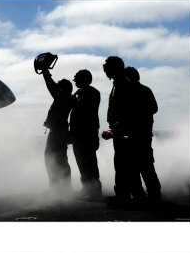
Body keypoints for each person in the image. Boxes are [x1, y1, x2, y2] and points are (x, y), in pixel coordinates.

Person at [102, 57, 146, 204]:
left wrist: (116, 130)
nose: (104, 69)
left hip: (125, 134)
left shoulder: (124, 85)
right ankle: (127, 195)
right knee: (123, 165)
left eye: (107, 66)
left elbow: (127, 113)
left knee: (126, 166)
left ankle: (127, 196)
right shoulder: (118, 84)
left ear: (115, 68)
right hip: (121, 132)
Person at [124, 66, 161, 202]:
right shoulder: (144, 90)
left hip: (139, 134)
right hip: (140, 134)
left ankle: (151, 194)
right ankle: (145, 194)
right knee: (139, 166)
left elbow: (153, 109)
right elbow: (154, 108)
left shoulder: (139, 91)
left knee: (143, 165)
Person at [69, 69, 102, 199]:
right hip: (78, 134)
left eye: (77, 78)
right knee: (82, 162)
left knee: (89, 162)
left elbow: (85, 111)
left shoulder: (92, 93)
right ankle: (87, 188)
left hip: (87, 134)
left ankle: (94, 190)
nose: (75, 81)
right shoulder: (79, 93)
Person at [41, 68, 74, 196]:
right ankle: (62, 187)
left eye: (59, 87)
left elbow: (50, 85)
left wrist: (45, 72)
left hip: (57, 133)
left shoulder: (62, 97)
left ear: (63, 89)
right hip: (59, 132)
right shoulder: (66, 98)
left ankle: (60, 188)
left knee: (55, 159)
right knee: (58, 159)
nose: (57, 88)